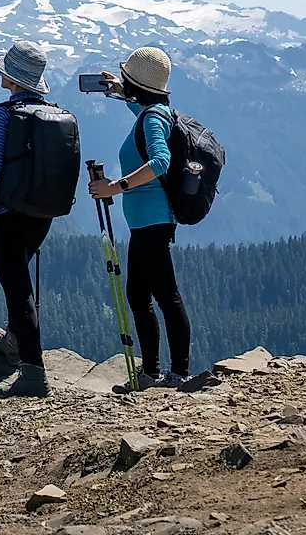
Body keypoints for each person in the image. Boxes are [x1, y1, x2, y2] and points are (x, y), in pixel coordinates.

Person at [86, 46, 191, 390]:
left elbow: (160, 160)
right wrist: (121, 92)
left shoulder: (152, 119)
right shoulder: (153, 111)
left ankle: (176, 374)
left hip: (153, 221)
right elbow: (145, 110)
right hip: (146, 223)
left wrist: (117, 186)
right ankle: (153, 373)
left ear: (137, 84)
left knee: (165, 296)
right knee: (139, 296)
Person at [0, 40, 54, 398]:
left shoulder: (4, 113)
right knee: (19, 281)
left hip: (5, 215)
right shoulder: (49, 114)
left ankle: (32, 371)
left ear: (11, 78)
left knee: (18, 291)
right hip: (41, 214)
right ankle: (15, 338)